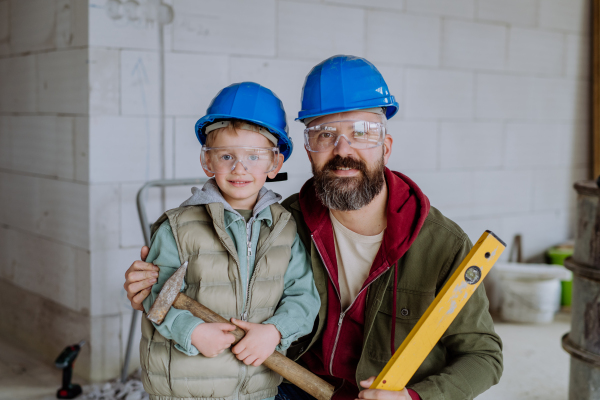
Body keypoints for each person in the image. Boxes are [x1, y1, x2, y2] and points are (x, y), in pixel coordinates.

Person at [125, 56, 503, 400]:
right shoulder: (281, 226)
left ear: (385, 146)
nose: (343, 149)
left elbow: (483, 356)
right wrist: (153, 284)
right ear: (307, 149)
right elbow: (204, 278)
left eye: (361, 132)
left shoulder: (440, 244)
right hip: (294, 390)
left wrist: (414, 399)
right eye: (324, 134)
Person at [138, 81, 320, 400]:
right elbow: (156, 294)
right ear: (207, 161)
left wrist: (275, 332)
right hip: (186, 387)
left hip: (257, 388)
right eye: (226, 156)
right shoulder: (178, 226)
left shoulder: (286, 228)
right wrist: (190, 330)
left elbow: (304, 297)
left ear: (275, 164)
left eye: (254, 155)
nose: (240, 168)